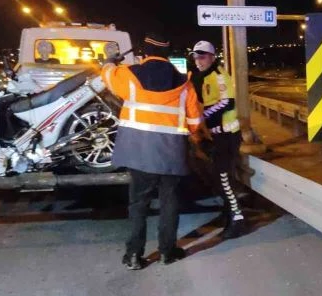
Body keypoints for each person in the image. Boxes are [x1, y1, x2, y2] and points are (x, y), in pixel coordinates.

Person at [100, 33, 204, 270]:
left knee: (138, 204)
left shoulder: (128, 75)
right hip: (171, 155)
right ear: (168, 55)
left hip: (139, 153)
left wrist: (109, 61)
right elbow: (196, 120)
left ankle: (134, 255)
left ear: (144, 53)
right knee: (169, 203)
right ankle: (168, 252)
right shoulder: (184, 84)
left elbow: (106, 75)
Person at [189, 41, 245, 240]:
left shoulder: (218, 75)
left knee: (224, 178)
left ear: (212, 57)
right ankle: (230, 212)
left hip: (227, 136)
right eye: (195, 56)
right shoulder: (203, 77)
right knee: (219, 178)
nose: (198, 60)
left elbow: (227, 102)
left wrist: (203, 116)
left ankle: (237, 219)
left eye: (202, 56)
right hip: (217, 135)